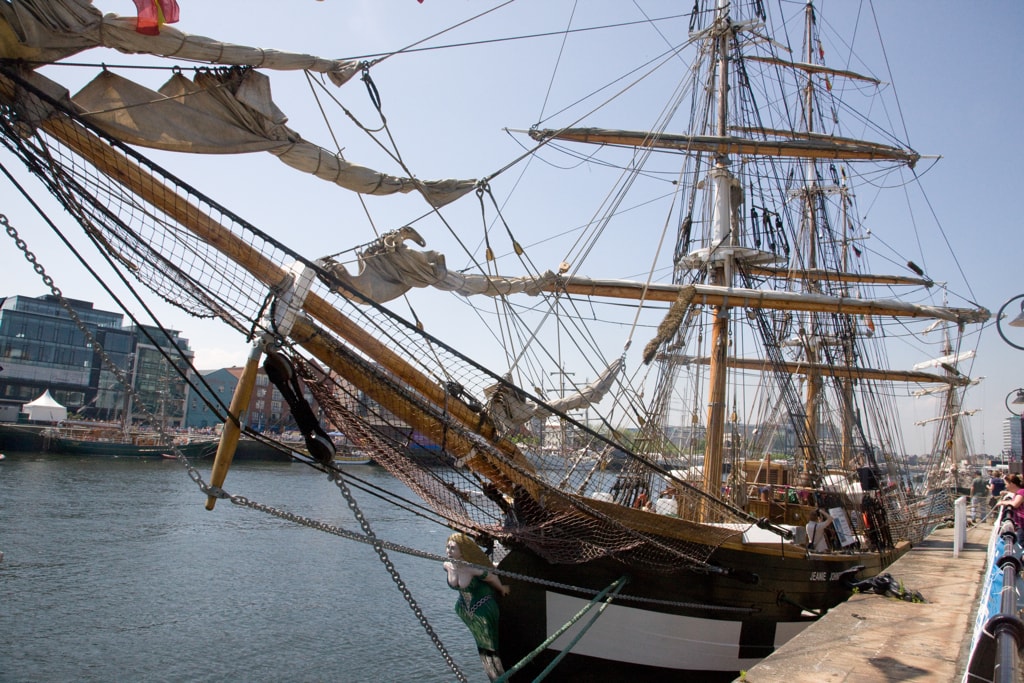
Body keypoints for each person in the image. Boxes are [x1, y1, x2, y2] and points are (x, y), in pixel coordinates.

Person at [444, 532, 510, 680]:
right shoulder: (448, 565)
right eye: (447, 547)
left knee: (490, 648)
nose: (448, 551)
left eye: (453, 548)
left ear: (463, 551)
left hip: (483, 609)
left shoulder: (472, 568)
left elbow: (492, 577)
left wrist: (502, 589)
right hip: (465, 611)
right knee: (483, 647)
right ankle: (498, 676)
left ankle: (499, 676)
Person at [996, 474, 1024, 544]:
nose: (1005, 486)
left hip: (1022, 524)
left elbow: (1015, 504)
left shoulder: (1021, 492)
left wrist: (1002, 502)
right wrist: (1006, 492)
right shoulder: (1019, 492)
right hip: (1020, 524)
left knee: (1021, 542)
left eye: (1006, 484)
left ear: (1012, 484)